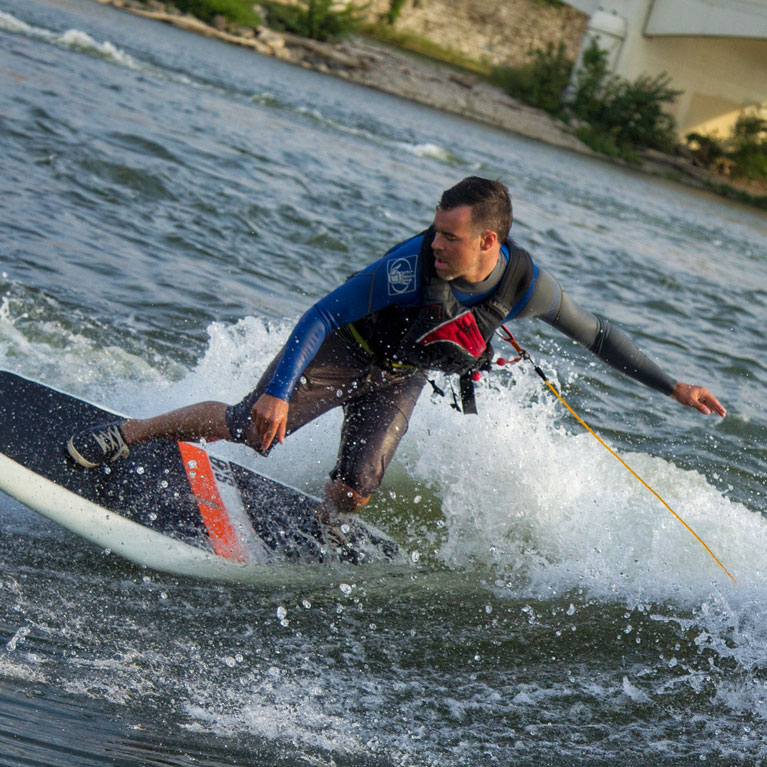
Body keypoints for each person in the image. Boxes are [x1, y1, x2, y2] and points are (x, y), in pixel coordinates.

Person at [67, 177, 725, 523]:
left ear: (488, 243)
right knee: (251, 428)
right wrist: (275, 391)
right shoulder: (406, 270)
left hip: (400, 375)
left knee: (356, 491)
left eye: (449, 237)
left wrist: (672, 387)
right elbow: (325, 310)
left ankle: (323, 525)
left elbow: (601, 337)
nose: (434, 243)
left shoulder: (529, 287)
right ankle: (129, 432)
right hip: (345, 351)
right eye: (435, 229)